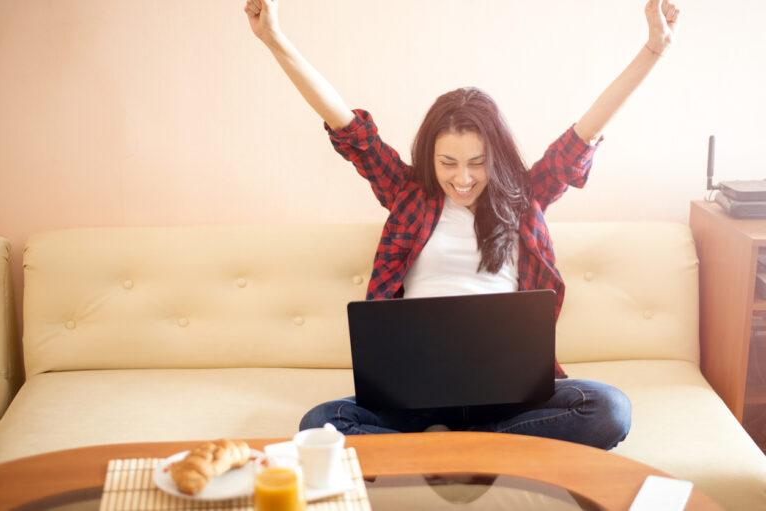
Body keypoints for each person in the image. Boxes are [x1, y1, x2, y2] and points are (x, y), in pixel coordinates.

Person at [244, 0, 680, 450]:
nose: (463, 178)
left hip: (509, 397)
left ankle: (446, 447)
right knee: (320, 423)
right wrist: (274, 38)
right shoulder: (407, 193)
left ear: (497, 157)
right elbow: (348, 128)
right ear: (429, 158)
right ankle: (485, 448)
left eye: (477, 163)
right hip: (413, 394)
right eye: (448, 163)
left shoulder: (524, 199)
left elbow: (585, 133)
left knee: (609, 409)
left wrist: (653, 49)